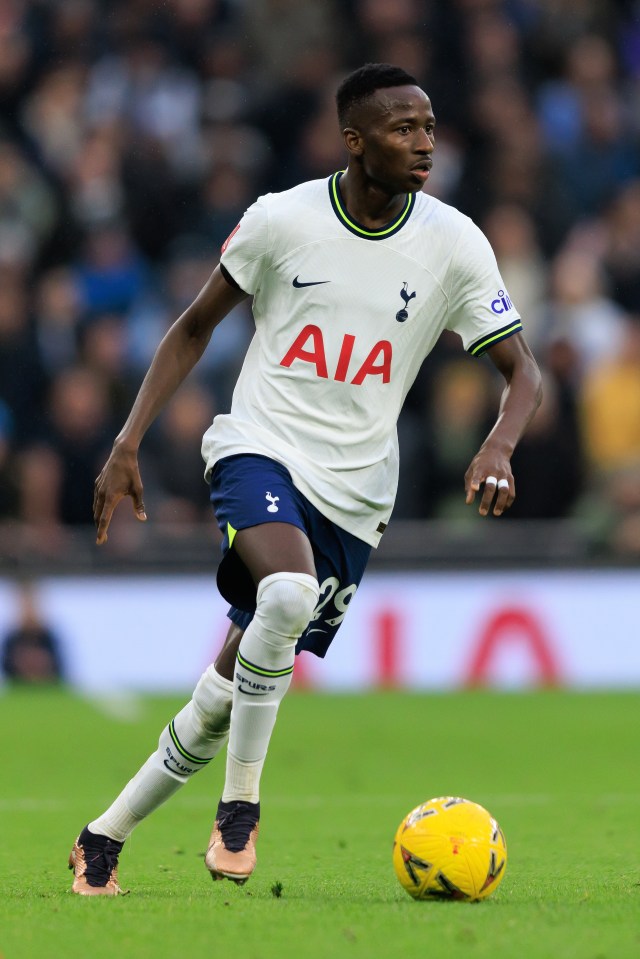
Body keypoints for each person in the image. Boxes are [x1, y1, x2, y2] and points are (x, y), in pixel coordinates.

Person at [68, 63, 542, 896]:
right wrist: (128, 440)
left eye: (429, 126)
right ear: (354, 142)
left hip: (358, 494)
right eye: (402, 129)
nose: (424, 143)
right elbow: (191, 328)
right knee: (286, 595)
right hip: (259, 445)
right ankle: (241, 807)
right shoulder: (280, 220)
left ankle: (103, 835)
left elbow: (523, 372)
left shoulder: (455, 241)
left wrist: (500, 443)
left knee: (227, 685)